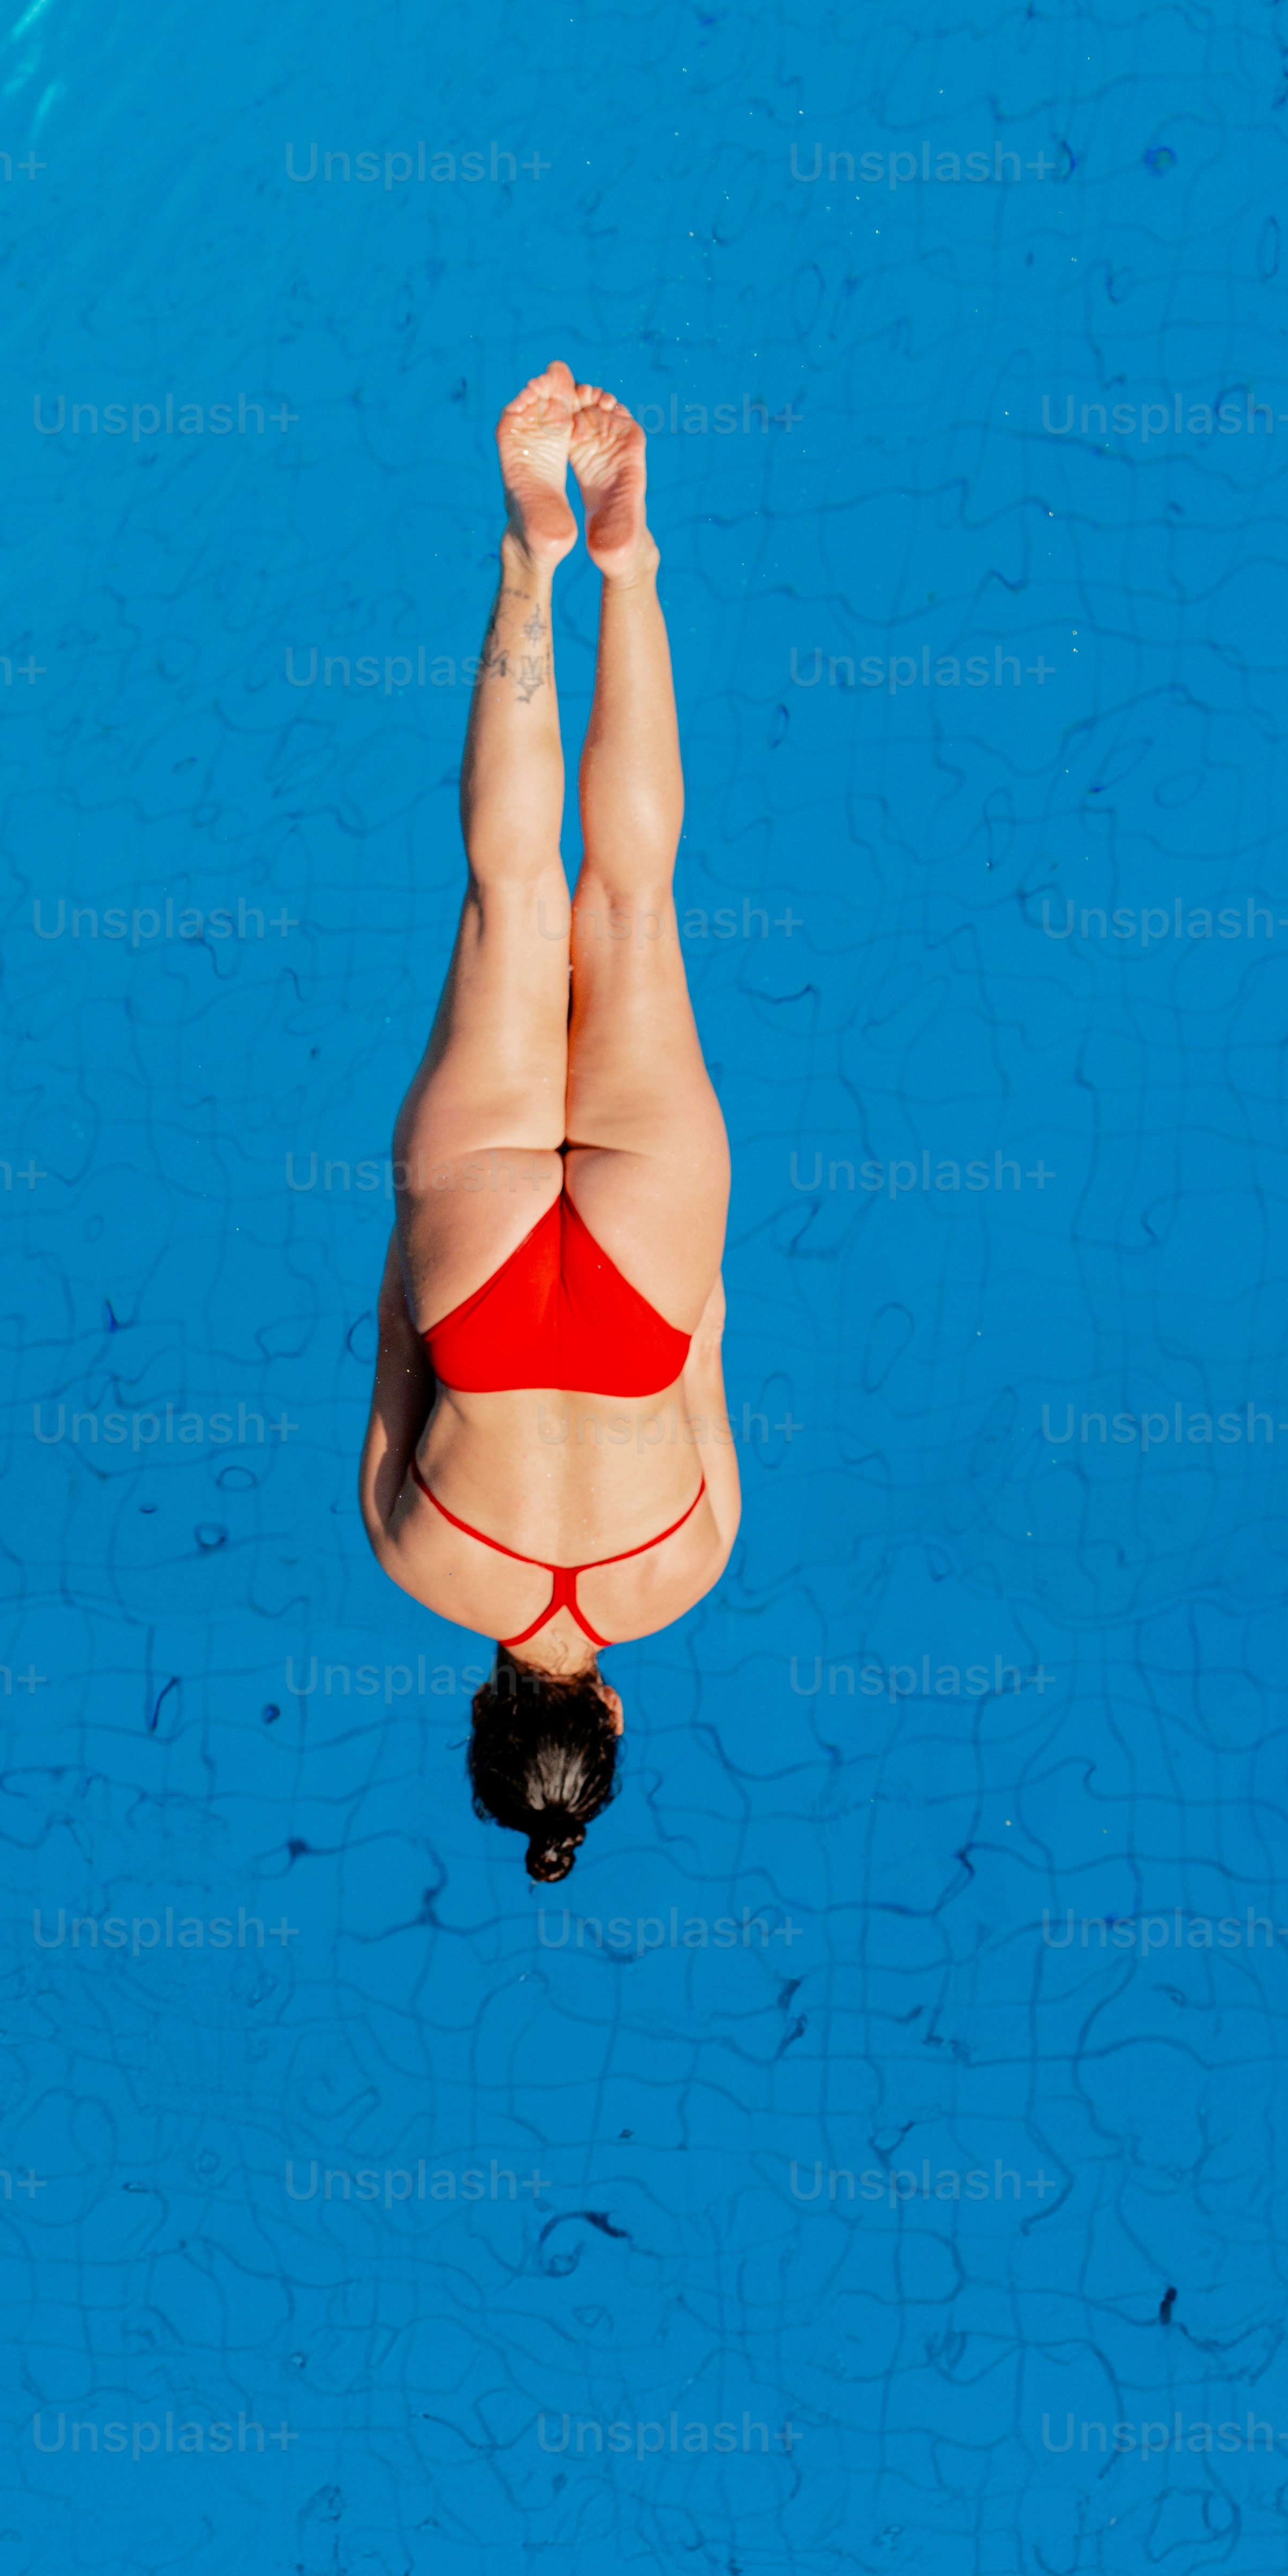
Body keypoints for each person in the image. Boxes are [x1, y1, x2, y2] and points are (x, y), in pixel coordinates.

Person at [358, 361, 737, 1881]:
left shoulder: (690, 1572)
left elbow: (705, 1337)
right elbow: (396, 1329)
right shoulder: (415, 1562)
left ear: (614, 1714)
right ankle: (532, 556)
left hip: (641, 1282)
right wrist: (442, 1198)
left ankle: (627, 567)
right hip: (480, 1278)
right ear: (479, 1710)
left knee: (632, 904)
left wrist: (665, 1217)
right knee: (509, 898)